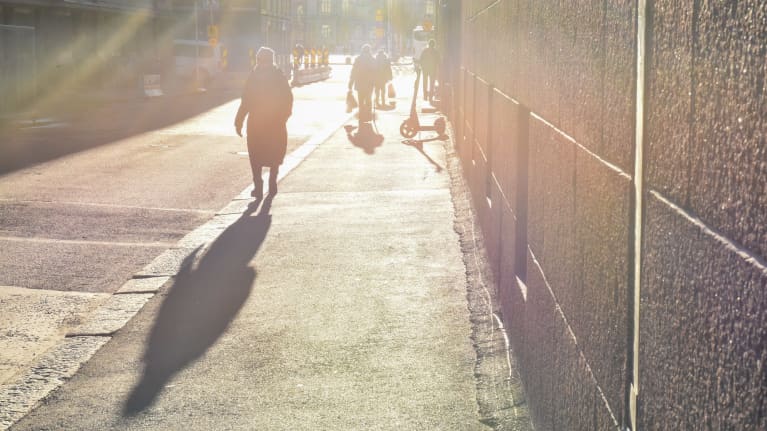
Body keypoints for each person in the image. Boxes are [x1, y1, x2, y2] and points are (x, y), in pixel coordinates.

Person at [235, 47, 293, 200]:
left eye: (260, 59)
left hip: (258, 123)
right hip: (274, 123)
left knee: (256, 154)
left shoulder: (254, 76)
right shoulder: (278, 76)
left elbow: (246, 100)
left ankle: (260, 186)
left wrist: (239, 120)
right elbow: (288, 99)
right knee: (273, 152)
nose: (259, 62)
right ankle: (269, 183)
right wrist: (283, 117)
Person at [348, 44, 377, 124]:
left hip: (359, 84)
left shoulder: (358, 59)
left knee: (361, 101)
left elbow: (354, 71)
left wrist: (351, 82)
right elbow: (376, 72)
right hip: (369, 85)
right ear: (369, 51)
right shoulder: (372, 59)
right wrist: (376, 83)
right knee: (368, 100)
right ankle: (368, 116)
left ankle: (361, 116)